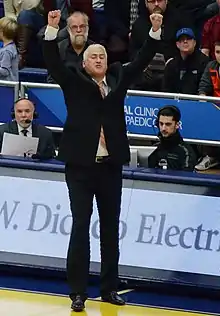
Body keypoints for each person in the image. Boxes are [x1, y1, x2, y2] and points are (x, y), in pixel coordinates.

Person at [42, 9, 162, 312]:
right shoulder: (73, 80)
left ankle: (109, 289)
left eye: (103, 56)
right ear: (84, 63)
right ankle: (78, 293)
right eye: (93, 56)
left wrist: (154, 31)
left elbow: (142, 60)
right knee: (81, 225)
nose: (99, 60)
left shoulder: (118, 79)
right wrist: (52, 29)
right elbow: (53, 62)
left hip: (110, 166)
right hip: (80, 166)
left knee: (110, 228)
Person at [148, 106, 196, 171]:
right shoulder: (155, 150)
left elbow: (185, 178)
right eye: (161, 124)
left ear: (177, 125)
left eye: (168, 124)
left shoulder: (186, 152)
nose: (163, 128)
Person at [163, 28, 209, 94]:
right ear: (177, 44)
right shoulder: (171, 64)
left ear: (194, 43)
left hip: (196, 101)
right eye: (181, 39)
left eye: (189, 39)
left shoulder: (204, 62)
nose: (185, 41)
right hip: (174, 102)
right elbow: (165, 89)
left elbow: (205, 88)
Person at [0, 16, 18, 81]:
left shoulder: (6, 51)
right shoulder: (12, 46)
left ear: (2, 32)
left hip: (7, 87)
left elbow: (5, 71)